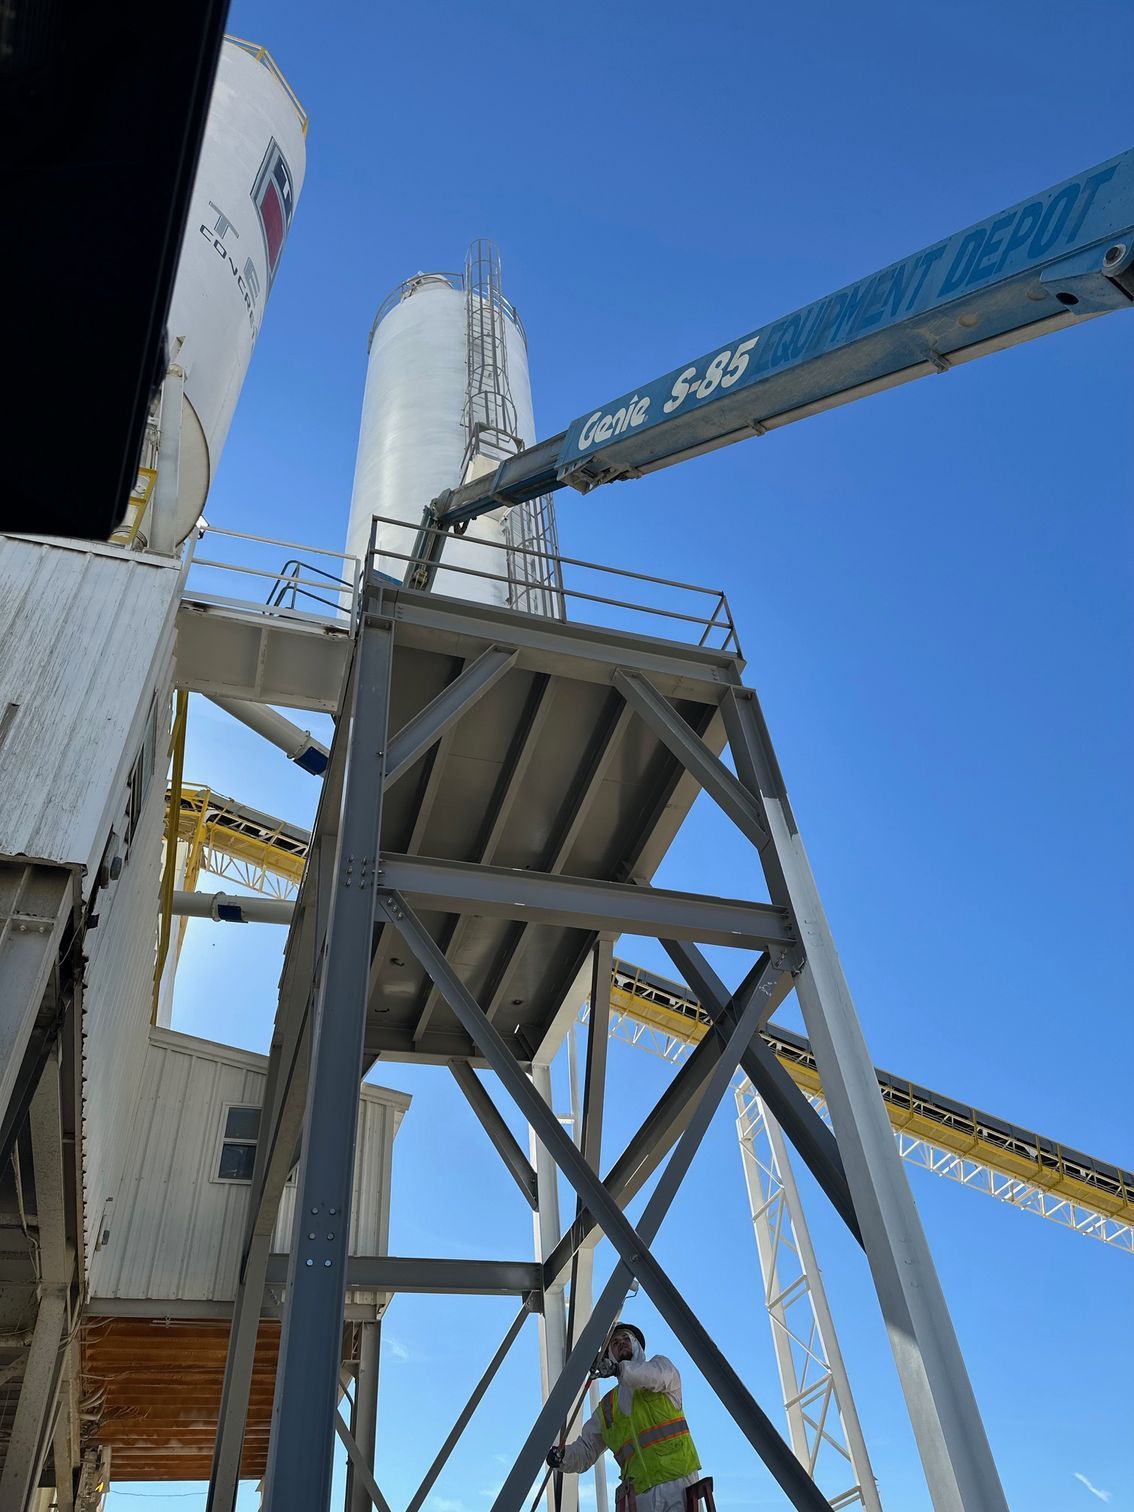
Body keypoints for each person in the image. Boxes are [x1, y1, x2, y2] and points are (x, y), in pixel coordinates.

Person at [546, 1323, 702, 1511]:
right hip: (639, 1496)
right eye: (614, 1343)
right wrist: (564, 1457)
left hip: (678, 1484)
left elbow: (653, 1376)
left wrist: (618, 1370)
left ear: (636, 1344)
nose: (621, 1344)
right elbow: (586, 1450)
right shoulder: (607, 1408)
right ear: (609, 1356)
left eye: (625, 1339)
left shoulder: (661, 1369)